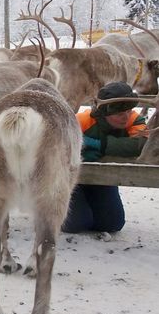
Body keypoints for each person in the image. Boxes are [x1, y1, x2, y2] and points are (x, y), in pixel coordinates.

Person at [63, 81, 148, 235]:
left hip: (104, 179)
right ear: (104, 113)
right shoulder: (81, 121)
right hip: (73, 181)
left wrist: (100, 145)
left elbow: (141, 144)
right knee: (75, 224)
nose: (126, 117)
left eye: (129, 111)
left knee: (113, 223)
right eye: (120, 114)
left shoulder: (134, 119)